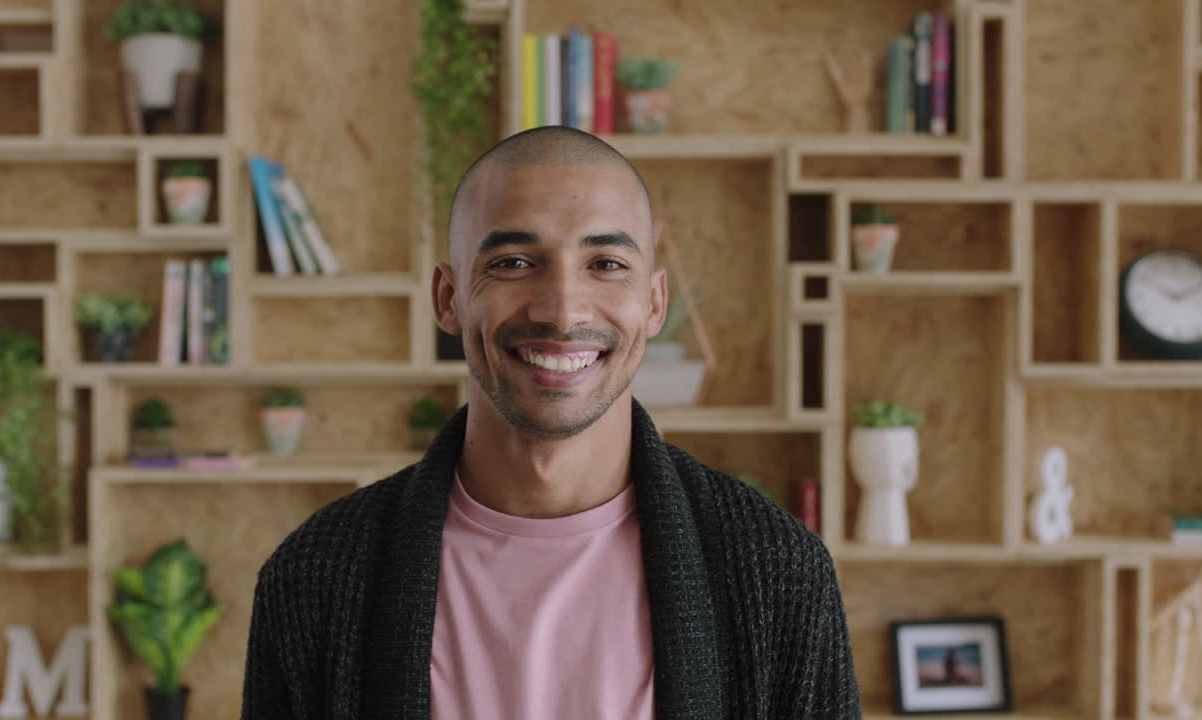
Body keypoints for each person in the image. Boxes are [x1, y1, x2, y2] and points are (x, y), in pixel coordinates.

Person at [241, 126, 861, 719]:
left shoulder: (777, 575)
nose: (563, 311)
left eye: (607, 264)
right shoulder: (316, 579)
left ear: (654, 302)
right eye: (513, 262)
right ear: (448, 299)